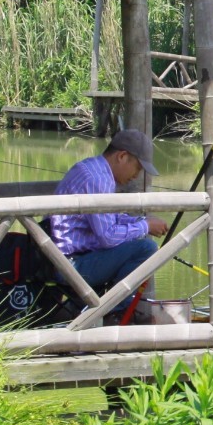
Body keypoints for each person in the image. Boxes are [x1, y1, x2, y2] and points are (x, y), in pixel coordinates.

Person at [47, 129, 170, 320]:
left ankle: (104, 308)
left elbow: (110, 219)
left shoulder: (93, 168)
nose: (136, 176)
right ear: (122, 156)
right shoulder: (99, 180)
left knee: (136, 242)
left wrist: (142, 222)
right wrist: (145, 227)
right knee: (146, 248)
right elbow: (107, 237)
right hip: (70, 265)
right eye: (137, 168)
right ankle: (113, 311)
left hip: (65, 258)